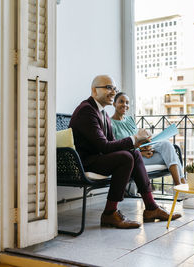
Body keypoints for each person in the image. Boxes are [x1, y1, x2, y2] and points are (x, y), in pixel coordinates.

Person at [69, 75, 181, 229]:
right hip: (84, 162)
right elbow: (105, 147)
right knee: (125, 158)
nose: (113, 91)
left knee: (132, 154)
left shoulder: (103, 114)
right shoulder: (86, 110)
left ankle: (151, 208)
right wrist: (134, 138)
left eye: (114, 88)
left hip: (98, 158)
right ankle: (110, 213)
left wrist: (139, 145)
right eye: (108, 87)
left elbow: (113, 143)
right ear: (94, 90)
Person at [111, 92, 186, 185]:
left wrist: (146, 144)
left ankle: (179, 185)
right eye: (121, 102)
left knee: (166, 145)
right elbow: (115, 148)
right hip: (132, 158)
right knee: (171, 155)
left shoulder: (130, 119)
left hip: (142, 153)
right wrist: (140, 153)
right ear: (114, 104)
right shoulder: (111, 123)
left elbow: (137, 139)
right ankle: (180, 185)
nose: (124, 105)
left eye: (127, 102)